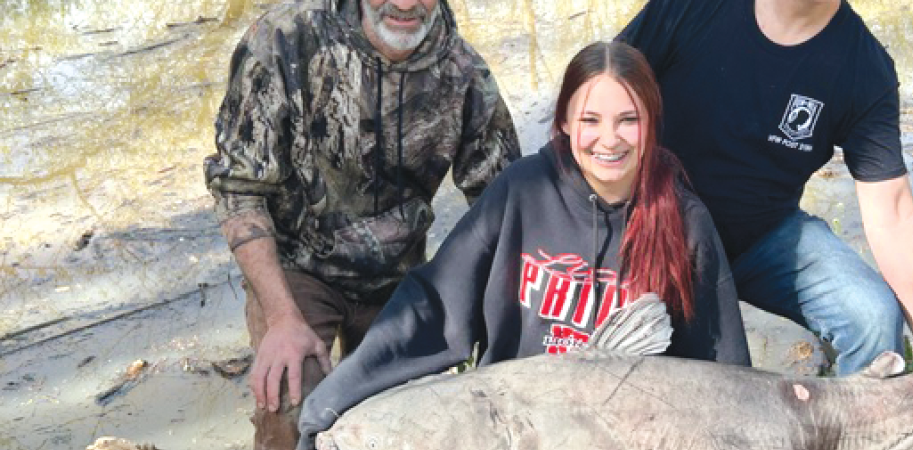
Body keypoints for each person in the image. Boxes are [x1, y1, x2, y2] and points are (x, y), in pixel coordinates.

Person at [296, 41, 752, 448]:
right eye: (590, 119)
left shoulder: (686, 222)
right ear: (565, 123)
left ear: (652, 123)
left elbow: (723, 376)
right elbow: (432, 308)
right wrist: (329, 404)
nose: (609, 139)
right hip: (512, 429)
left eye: (628, 120)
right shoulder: (521, 191)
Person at [203, 0, 520, 448]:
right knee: (292, 400)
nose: (406, 4)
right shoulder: (282, 41)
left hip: (400, 279)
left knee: (404, 420)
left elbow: (505, 203)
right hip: (297, 268)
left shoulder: (464, 72)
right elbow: (238, 188)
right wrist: (280, 319)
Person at [618, 0, 913, 387]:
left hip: (763, 238)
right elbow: (602, 96)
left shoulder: (863, 68)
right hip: (654, 228)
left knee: (871, 316)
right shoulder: (692, 7)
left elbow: (893, 210)